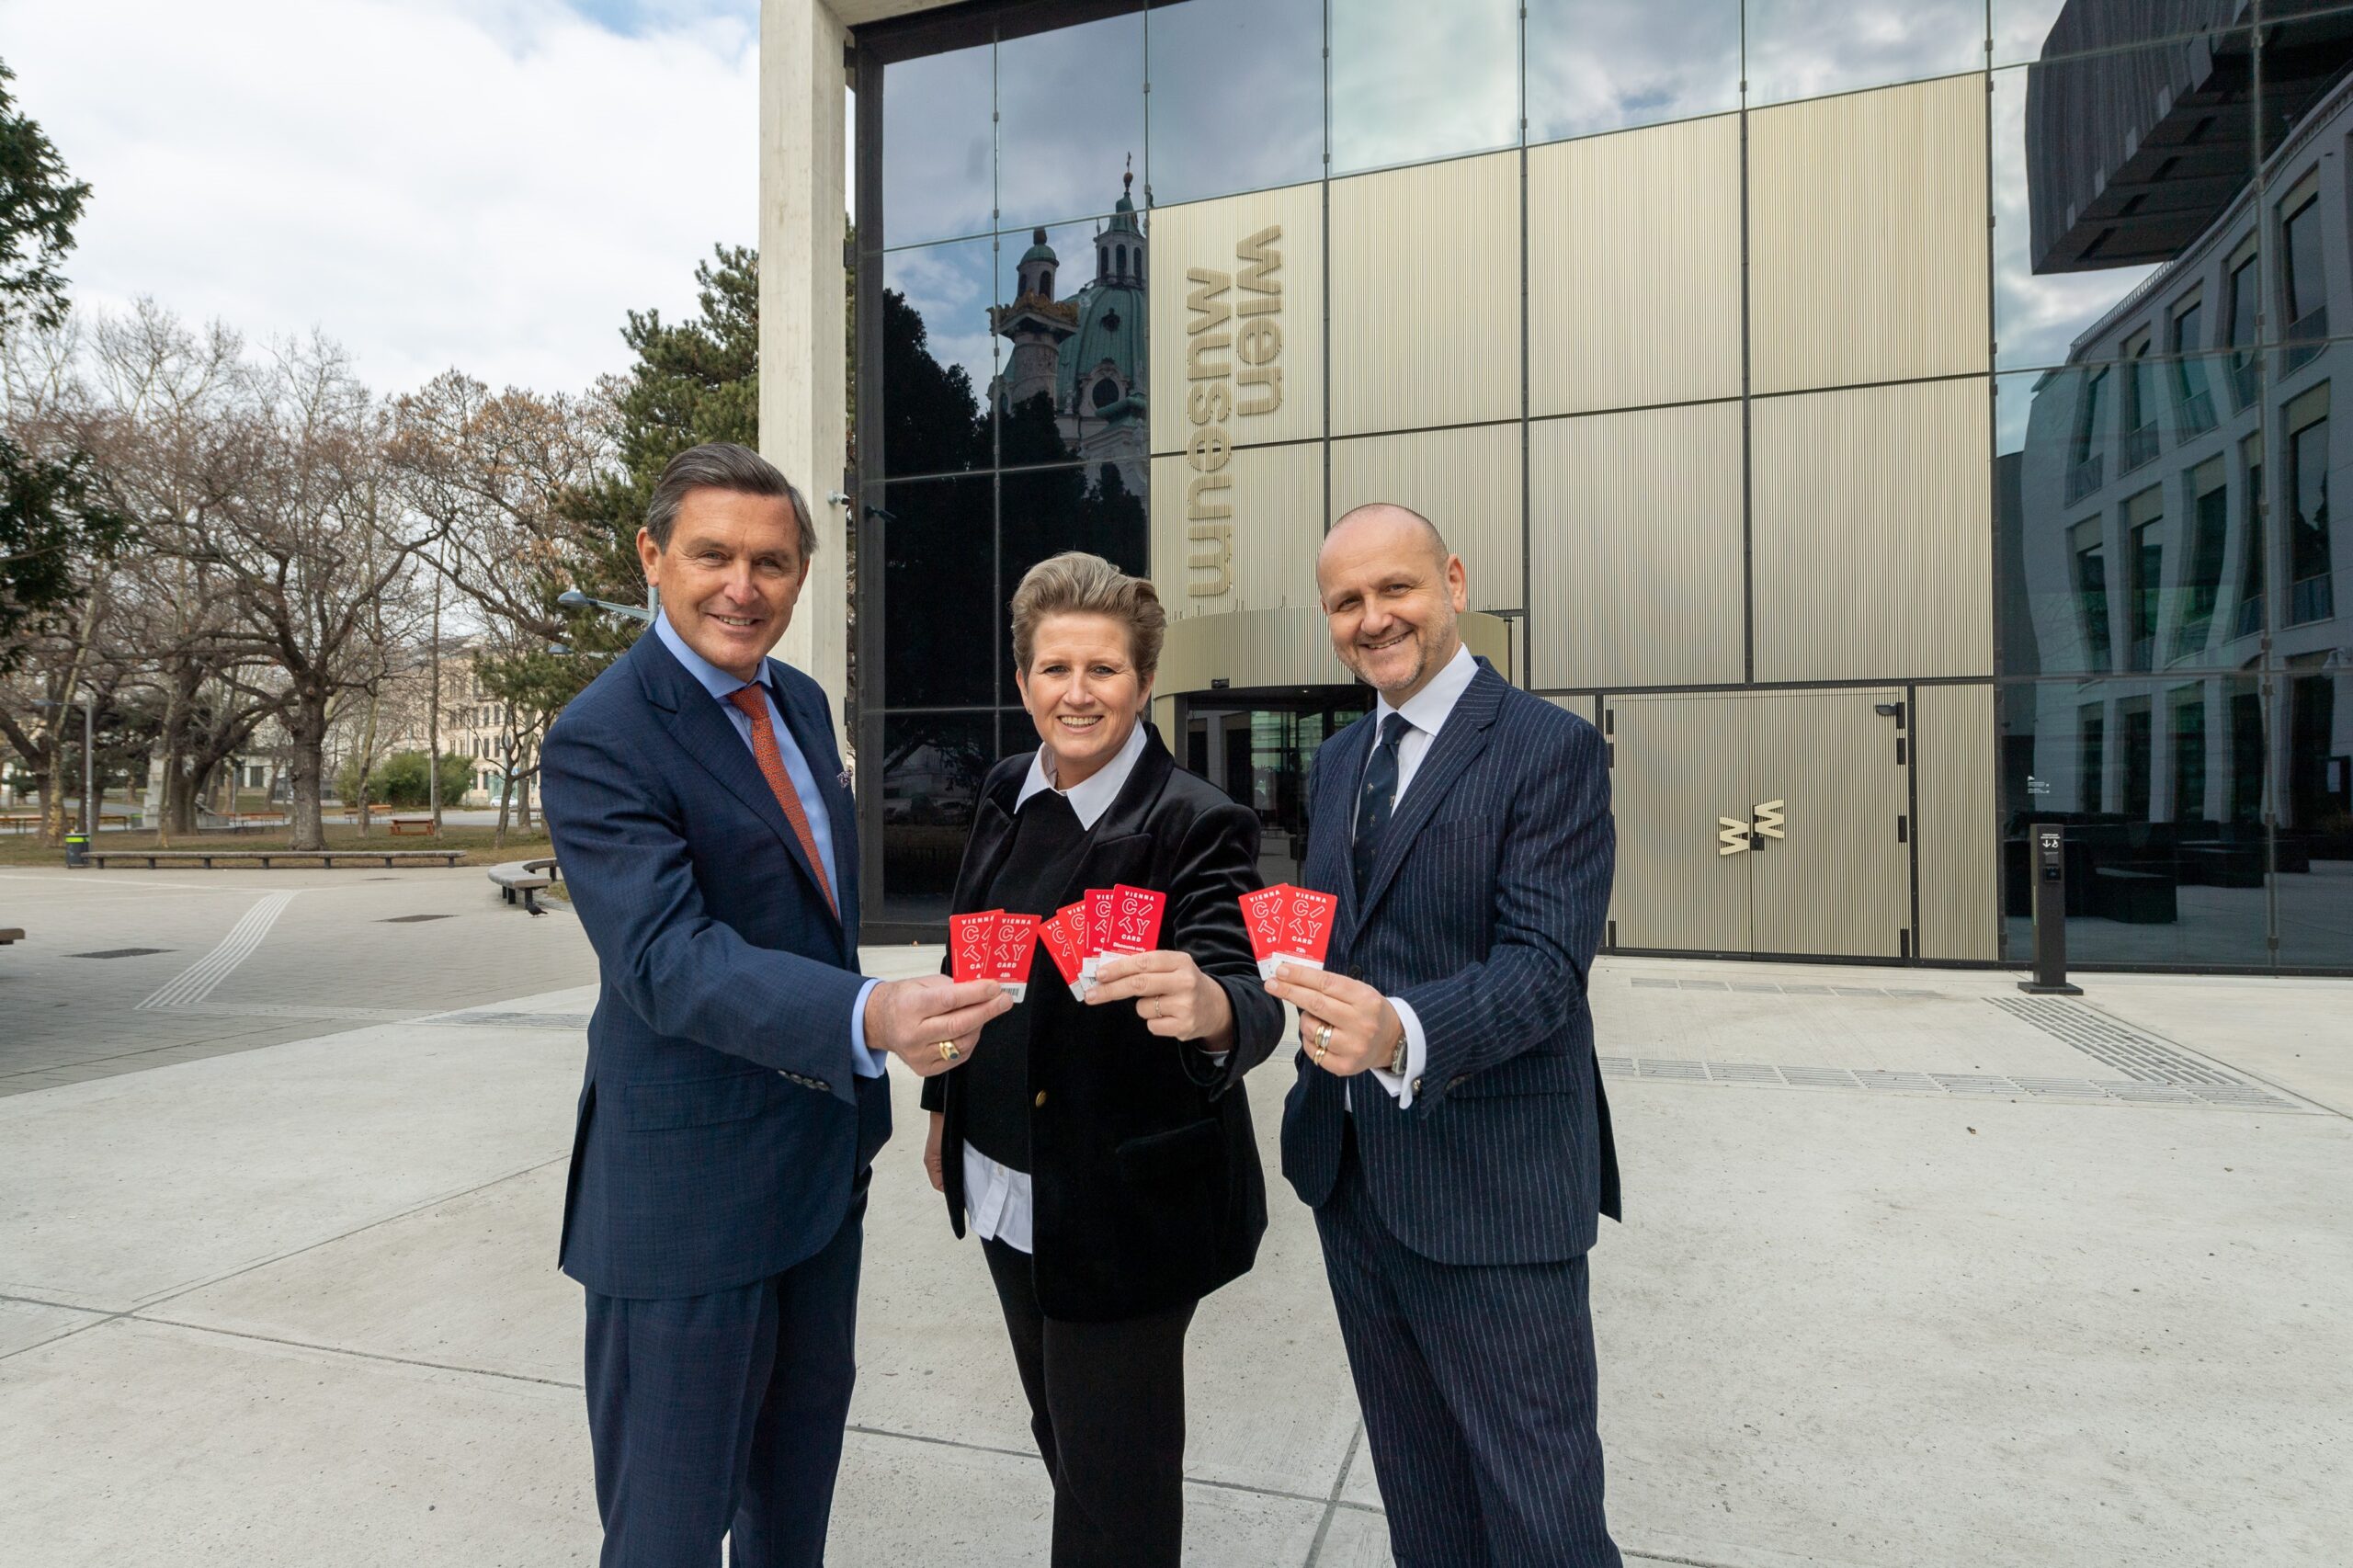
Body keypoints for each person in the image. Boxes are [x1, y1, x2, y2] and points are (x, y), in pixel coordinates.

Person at [540, 442, 1012, 1568]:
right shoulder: (601, 734)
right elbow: (664, 956)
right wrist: (867, 1014)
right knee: (665, 1528)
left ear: (802, 575)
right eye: (712, 555)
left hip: (816, 1174)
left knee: (790, 1511)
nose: (741, 586)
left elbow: (800, 904)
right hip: (686, 1199)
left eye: (772, 561)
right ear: (652, 556)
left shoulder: (797, 701)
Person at [1267, 503, 1623, 1568]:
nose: (1373, 618)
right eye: (1346, 601)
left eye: (1396, 589)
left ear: (1454, 582)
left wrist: (1397, 1031)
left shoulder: (1547, 748)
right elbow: (1345, 935)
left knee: (1541, 1514)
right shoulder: (1336, 762)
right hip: (1355, 1181)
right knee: (1421, 1497)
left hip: (1497, 1190)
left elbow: (1545, 967)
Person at [917, 551, 1283, 1568]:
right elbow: (966, 949)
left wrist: (1211, 1007)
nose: (1076, 693)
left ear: (1144, 680)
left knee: (1116, 1480)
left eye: (1103, 670)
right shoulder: (1004, 787)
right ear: (1023, 677)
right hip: (1002, 1177)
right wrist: (944, 1103)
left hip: (1125, 1205)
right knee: (1064, 1441)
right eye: (1053, 668)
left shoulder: (1196, 821)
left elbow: (1243, 990)